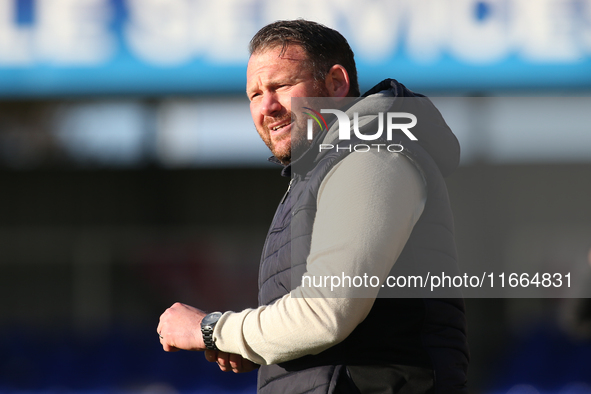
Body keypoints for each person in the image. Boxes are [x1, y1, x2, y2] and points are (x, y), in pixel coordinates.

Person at [158, 19, 469, 393]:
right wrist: (257, 346)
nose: (267, 107)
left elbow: (326, 311)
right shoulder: (321, 169)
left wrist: (211, 330)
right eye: (255, 95)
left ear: (336, 84)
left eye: (281, 86)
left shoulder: (370, 155)